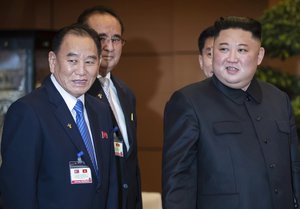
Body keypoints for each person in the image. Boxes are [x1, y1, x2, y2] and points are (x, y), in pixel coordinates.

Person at [162, 16, 300, 209]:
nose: (231, 58)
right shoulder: (188, 101)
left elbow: (295, 166)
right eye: (223, 49)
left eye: (242, 50)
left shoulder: (278, 99)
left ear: (259, 56)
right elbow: (178, 181)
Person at [0, 23, 118, 209]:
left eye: (89, 61)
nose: (81, 70)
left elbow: (109, 183)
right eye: (72, 61)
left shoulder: (101, 110)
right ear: (53, 61)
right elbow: (17, 194)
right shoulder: (28, 112)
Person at [77, 6, 142, 209]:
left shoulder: (126, 93)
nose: (109, 47)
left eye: (116, 39)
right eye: (101, 38)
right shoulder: (76, 93)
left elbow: (130, 164)